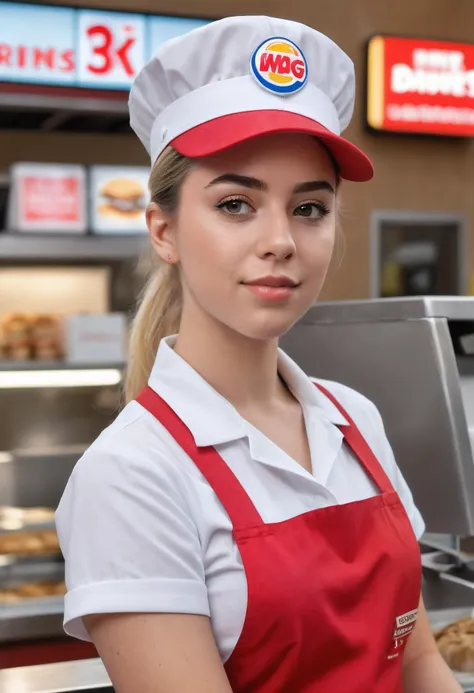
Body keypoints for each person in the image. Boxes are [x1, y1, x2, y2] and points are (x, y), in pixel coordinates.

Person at [55, 15, 462, 693]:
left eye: (310, 208)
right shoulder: (131, 476)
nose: (281, 240)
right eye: (238, 203)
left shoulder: (354, 418)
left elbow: (417, 662)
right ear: (165, 230)